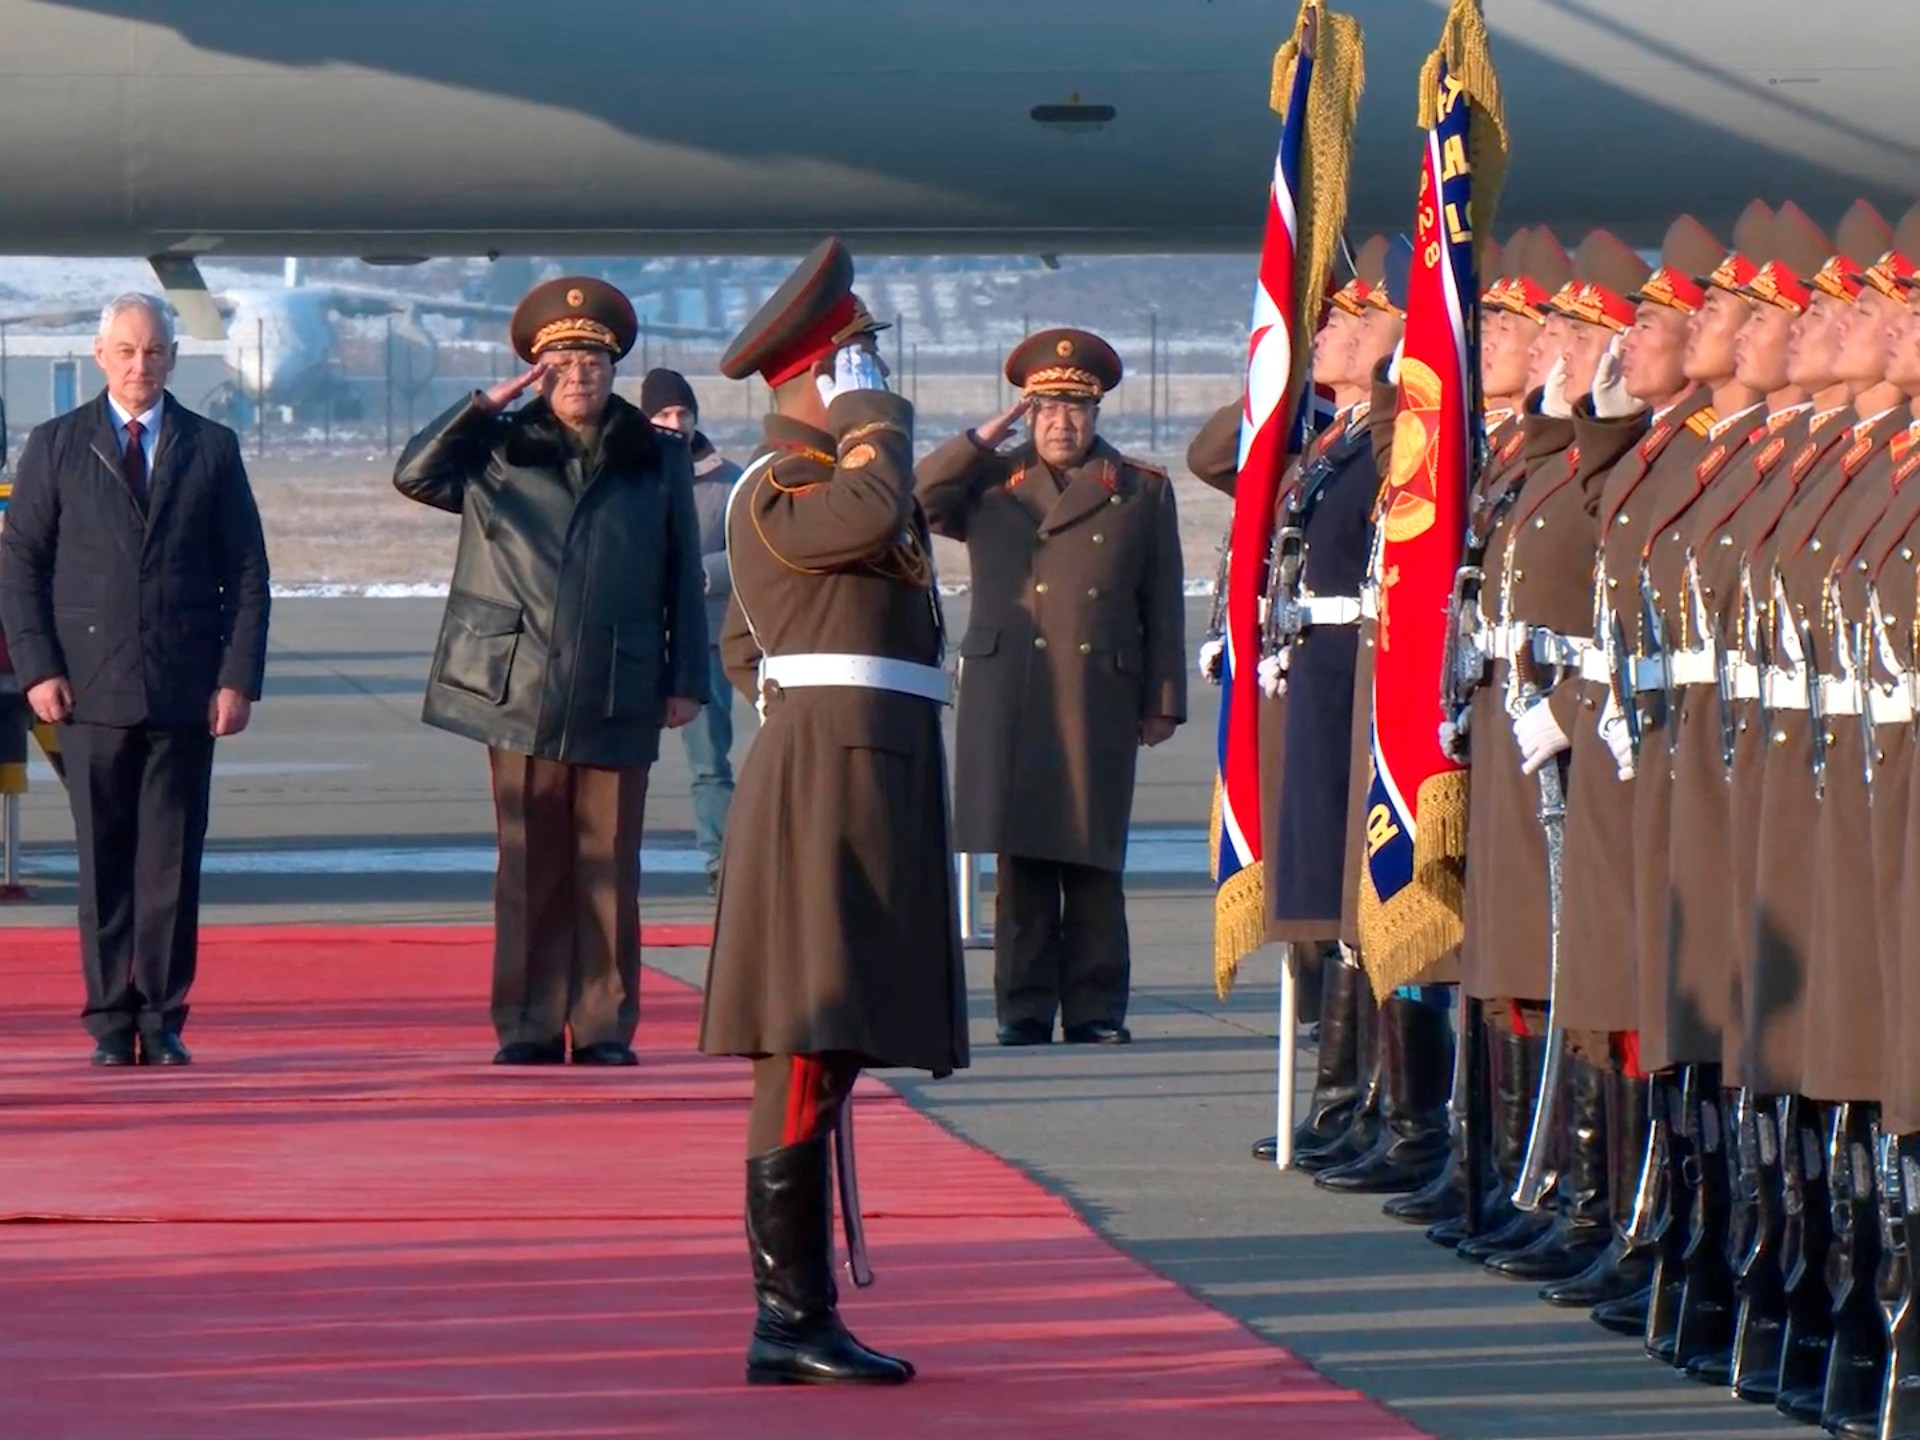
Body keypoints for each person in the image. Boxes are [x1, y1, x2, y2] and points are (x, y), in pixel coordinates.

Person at [697, 237, 968, 1387]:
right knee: (808, 1042)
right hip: (831, 781)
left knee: (839, 1038)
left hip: (869, 771)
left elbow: (742, 645)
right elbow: (864, 515)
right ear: (815, 375)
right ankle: (787, 1318)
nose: (871, 376)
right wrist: (884, 422)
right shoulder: (784, 490)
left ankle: (796, 1314)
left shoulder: (836, 487)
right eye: (854, 358)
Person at [394, 277, 709, 1067]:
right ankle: (528, 1023)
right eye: (563, 362)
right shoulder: (496, 447)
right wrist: (482, 405)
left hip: (618, 679)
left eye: (594, 362)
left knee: (608, 864)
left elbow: (682, 574)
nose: (580, 377)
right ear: (538, 371)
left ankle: (603, 1023)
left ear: (615, 371)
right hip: (517, 679)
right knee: (530, 865)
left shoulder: (656, 455)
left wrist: (684, 679)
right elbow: (414, 474)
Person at [0, 292, 270, 1066]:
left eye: (152, 352)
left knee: (171, 863)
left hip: (185, 690)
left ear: (173, 360)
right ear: (100, 356)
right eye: (125, 351)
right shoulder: (57, 446)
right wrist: (38, 669)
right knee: (104, 863)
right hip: (86, 691)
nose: (139, 366)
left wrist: (236, 678)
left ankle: (162, 1014)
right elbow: (20, 569)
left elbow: (247, 573)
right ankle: (111, 1021)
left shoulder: (210, 447)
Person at [916, 328, 1186, 1047]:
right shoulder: (989, 484)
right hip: (1013, 691)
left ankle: (1096, 1007)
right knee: (1022, 858)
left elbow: (1160, 599)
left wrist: (1163, 699)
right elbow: (918, 497)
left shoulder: (1139, 490)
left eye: (1075, 408)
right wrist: (984, 435)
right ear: (1026, 416)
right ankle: (1023, 1006)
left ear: (1097, 413)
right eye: (1045, 409)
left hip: (1097, 688)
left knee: (1094, 854)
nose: (1061, 423)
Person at [641, 367, 744, 894]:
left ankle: (719, 862)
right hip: (635, 638)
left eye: (683, 412)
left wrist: (706, 573)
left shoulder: (728, 480)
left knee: (709, 761)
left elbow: (753, 547)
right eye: (663, 414)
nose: (675, 422)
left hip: (703, 638)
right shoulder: (627, 471)